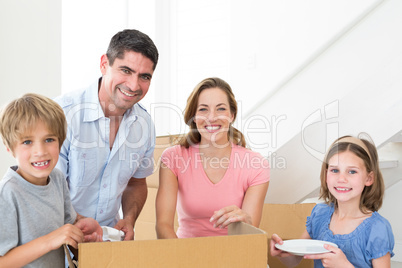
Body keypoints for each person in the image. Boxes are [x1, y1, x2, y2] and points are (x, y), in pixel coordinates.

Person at [54, 29, 159, 240]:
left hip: (107, 242)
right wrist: (83, 226)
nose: (133, 85)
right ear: (104, 64)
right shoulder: (62, 114)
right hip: (57, 241)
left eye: (144, 76)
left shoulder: (145, 125)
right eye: (126, 70)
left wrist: (129, 219)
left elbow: (136, 183)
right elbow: (46, 189)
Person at [155, 77, 270, 239]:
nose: (212, 117)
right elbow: (163, 225)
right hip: (185, 254)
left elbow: (249, 236)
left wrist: (247, 221)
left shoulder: (256, 165)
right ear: (193, 117)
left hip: (233, 254)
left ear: (232, 115)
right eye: (203, 109)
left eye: (221, 109)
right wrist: (180, 259)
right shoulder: (173, 157)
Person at [0, 93, 102, 268]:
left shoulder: (57, 178)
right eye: (27, 142)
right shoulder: (7, 193)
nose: (40, 151)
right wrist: (50, 240)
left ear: (60, 142)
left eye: (49, 139)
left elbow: (68, 230)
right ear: (10, 148)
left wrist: (83, 231)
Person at [270, 135, 395, 267]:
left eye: (352, 171)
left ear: (369, 178)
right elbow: (294, 260)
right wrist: (282, 251)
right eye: (335, 170)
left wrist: (344, 265)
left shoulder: (377, 228)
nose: (341, 178)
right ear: (326, 175)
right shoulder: (319, 215)